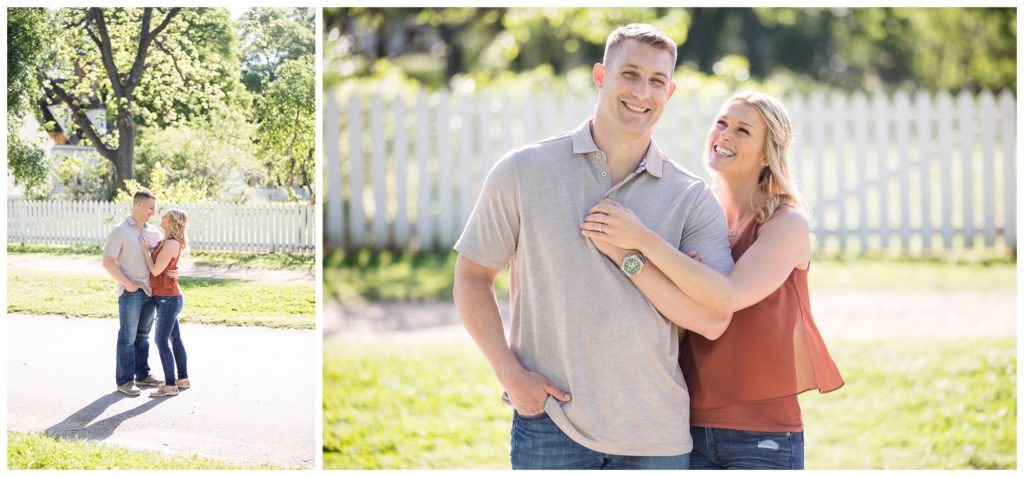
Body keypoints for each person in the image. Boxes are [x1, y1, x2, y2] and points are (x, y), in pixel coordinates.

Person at [453, 24, 734, 470]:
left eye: (657, 81)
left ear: (671, 91)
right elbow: (472, 277)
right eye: (630, 74)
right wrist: (510, 374)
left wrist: (634, 254)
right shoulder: (523, 170)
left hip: (656, 435)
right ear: (601, 76)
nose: (642, 92)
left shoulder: (691, 195)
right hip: (552, 425)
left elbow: (714, 318)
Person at [580, 91, 845, 469]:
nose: (724, 135)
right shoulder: (696, 217)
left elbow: (728, 297)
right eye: (721, 122)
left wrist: (641, 241)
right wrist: (629, 259)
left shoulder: (786, 225)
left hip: (762, 436)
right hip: (687, 426)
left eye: (742, 130)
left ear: (768, 153)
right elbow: (680, 319)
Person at [103, 190, 166, 396]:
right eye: (150, 207)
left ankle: (143, 374)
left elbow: (161, 257)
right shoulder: (119, 231)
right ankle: (125, 381)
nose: (153, 212)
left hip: (150, 292)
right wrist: (128, 284)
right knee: (128, 337)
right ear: (138, 205)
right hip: (130, 293)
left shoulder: (154, 232)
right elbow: (108, 262)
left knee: (142, 336)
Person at [138, 208, 191, 398]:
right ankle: (182, 379)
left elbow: (155, 270)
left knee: (161, 340)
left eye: (165, 216)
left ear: (173, 221)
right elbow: (168, 267)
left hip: (168, 298)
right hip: (167, 297)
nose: (162, 217)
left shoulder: (170, 244)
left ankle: (169, 385)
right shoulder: (166, 241)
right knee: (175, 339)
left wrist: (145, 252)